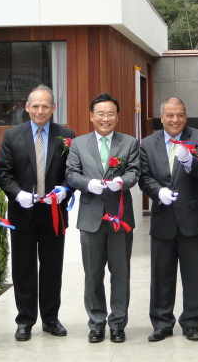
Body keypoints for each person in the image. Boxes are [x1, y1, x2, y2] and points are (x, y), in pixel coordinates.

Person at [0, 85, 75, 342]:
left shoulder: (66, 135)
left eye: (45, 106)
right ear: (27, 107)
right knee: (23, 268)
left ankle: (51, 319)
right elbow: (4, 173)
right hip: (23, 212)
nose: (40, 110)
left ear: (53, 108)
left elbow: (71, 171)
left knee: (52, 267)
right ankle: (25, 320)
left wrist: (65, 189)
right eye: (35, 106)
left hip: (54, 212)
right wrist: (17, 193)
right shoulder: (12, 135)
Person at [139, 98, 198, 342]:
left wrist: (188, 159)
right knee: (162, 275)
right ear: (161, 117)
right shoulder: (148, 143)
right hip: (163, 217)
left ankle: (192, 322)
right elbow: (144, 176)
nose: (175, 120)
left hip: (193, 218)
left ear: (186, 116)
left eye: (180, 115)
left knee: (196, 274)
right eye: (170, 115)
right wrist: (157, 192)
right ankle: (162, 323)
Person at [66, 93, 140, 344]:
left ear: (117, 117)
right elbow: (71, 174)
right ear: (91, 116)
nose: (105, 118)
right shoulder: (78, 144)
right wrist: (88, 184)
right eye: (100, 113)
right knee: (93, 274)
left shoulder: (129, 143)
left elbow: (134, 171)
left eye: (110, 114)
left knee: (120, 273)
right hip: (90, 218)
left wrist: (122, 181)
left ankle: (118, 323)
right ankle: (96, 323)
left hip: (120, 217)